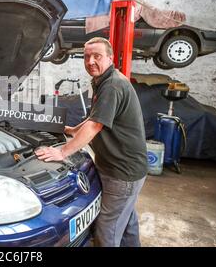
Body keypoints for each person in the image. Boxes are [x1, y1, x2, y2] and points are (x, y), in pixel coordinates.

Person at [36, 37, 148, 247]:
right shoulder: (104, 80)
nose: (90, 61)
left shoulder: (112, 86)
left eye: (97, 56)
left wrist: (63, 152)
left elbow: (95, 125)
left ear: (110, 58)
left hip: (122, 172)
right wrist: (71, 130)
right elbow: (95, 118)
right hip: (124, 169)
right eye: (87, 57)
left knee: (108, 229)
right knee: (126, 220)